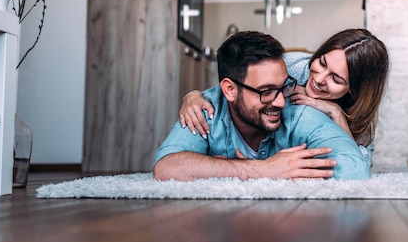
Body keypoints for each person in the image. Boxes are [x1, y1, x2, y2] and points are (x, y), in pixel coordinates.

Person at [154, 31, 370, 181]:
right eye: (266, 91)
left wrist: (336, 113)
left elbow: (356, 170)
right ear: (229, 90)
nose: (280, 101)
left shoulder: (300, 109)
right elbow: (166, 167)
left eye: (283, 86)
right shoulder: (206, 111)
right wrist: (264, 169)